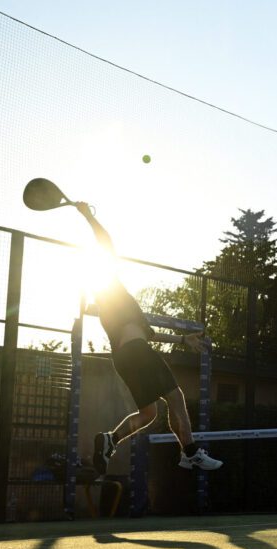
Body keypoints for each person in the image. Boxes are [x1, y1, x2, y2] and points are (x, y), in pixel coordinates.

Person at [73, 201, 223, 475]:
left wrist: (182, 340)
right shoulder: (110, 289)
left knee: (149, 414)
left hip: (126, 357)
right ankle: (190, 452)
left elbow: (148, 335)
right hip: (136, 353)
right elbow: (105, 243)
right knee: (175, 396)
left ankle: (110, 439)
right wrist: (88, 217)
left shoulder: (129, 312)